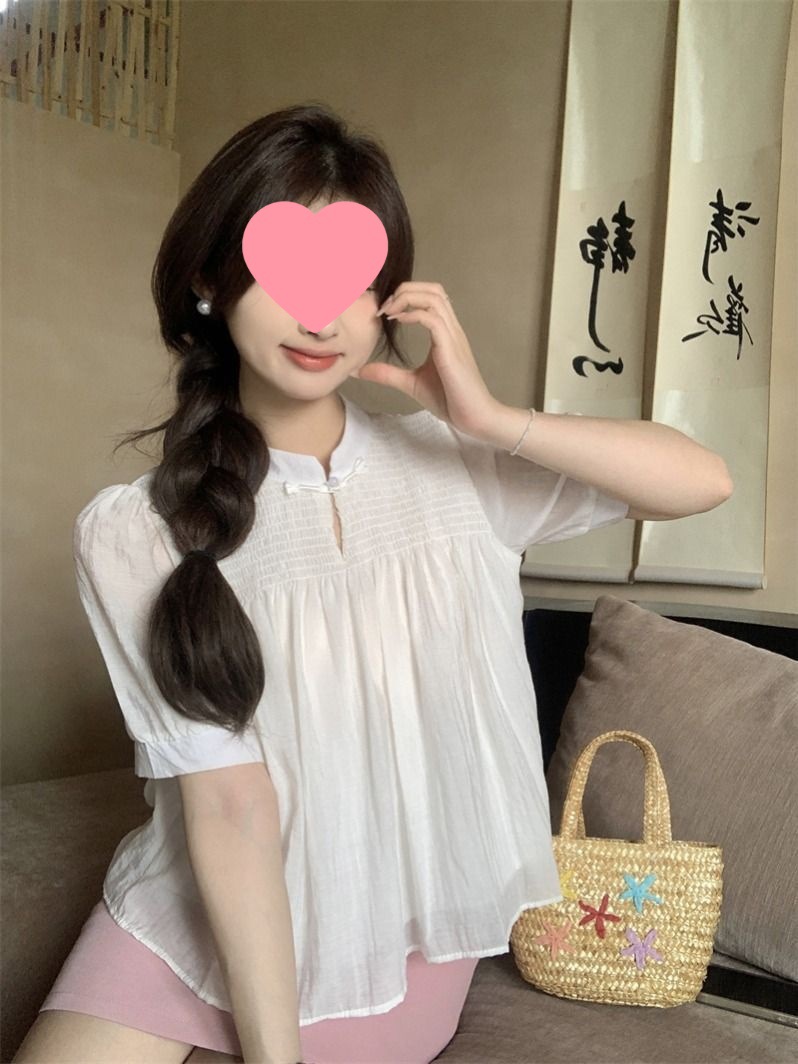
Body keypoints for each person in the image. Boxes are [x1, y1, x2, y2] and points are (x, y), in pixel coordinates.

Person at [15, 101, 708, 1064]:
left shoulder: (457, 465)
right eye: (281, 272)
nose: (318, 314)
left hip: (387, 936)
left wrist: (490, 417)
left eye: (350, 279)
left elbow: (699, 481)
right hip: (187, 923)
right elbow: (230, 809)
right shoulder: (135, 530)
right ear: (211, 279)